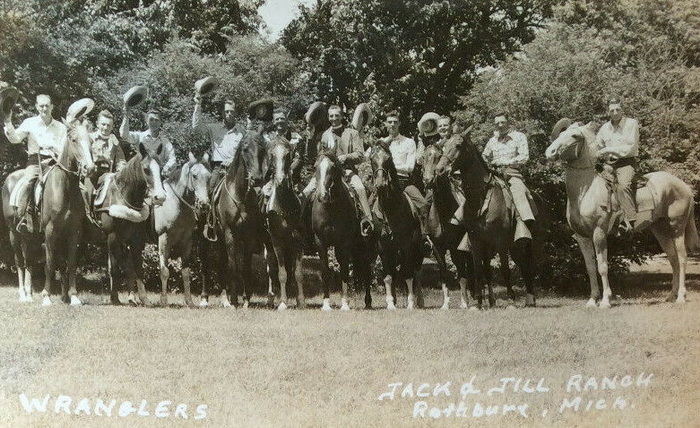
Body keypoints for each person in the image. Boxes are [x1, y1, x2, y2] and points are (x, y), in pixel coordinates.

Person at [299, 105, 373, 236]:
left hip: (347, 171)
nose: (334, 118)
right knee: (307, 190)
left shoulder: (352, 133)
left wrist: (345, 157)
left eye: (336, 115)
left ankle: (367, 221)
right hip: (327, 172)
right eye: (331, 116)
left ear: (342, 116)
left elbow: (360, 155)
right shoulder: (324, 135)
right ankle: (300, 224)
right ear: (328, 117)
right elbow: (315, 157)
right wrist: (310, 138)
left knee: (360, 188)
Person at [3, 94, 67, 233]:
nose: (44, 108)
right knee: (28, 182)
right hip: (35, 161)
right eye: (41, 105)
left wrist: (59, 161)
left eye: (47, 105)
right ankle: (24, 217)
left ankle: (78, 218)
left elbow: (64, 149)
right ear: (37, 107)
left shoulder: (61, 127)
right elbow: (15, 139)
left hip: (55, 162)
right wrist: (8, 121)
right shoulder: (30, 122)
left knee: (73, 184)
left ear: (52, 107)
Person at [378, 110, 431, 245]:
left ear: (399, 123)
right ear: (385, 124)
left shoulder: (408, 142)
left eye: (395, 122)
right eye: (389, 122)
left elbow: (409, 167)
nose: (392, 125)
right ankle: (370, 236)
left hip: (403, 182)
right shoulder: (380, 143)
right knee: (368, 203)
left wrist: (391, 167)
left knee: (423, 204)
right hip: (384, 182)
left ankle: (424, 238)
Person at [481, 112, 536, 234]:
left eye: (502, 122)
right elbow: (484, 155)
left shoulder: (519, 136)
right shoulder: (492, 140)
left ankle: (525, 224)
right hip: (494, 173)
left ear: (508, 122)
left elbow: (524, 156)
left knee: (519, 191)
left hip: (511, 172)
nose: (500, 125)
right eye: (497, 123)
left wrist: (505, 162)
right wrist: (487, 163)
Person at [594, 98, 641, 231]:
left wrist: (608, 149)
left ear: (622, 110)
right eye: (611, 110)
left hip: (626, 162)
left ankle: (631, 221)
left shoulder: (631, 124)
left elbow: (631, 148)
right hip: (609, 165)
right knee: (597, 186)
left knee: (622, 186)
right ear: (608, 112)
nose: (614, 112)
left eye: (617, 109)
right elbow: (597, 144)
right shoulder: (605, 127)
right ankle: (601, 221)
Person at [192, 94, 245, 190]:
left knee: (250, 194)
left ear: (235, 113)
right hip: (219, 168)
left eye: (231, 111)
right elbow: (196, 128)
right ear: (222, 113)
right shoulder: (213, 128)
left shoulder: (242, 131)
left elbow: (246, 152)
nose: (229, 114)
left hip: (237, 169)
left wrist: (233, 160)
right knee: (209, 191)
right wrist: (198, 105)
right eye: (226, 111)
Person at [120, 106, 176, 177]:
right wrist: (126, 117)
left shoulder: (165, 142)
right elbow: (124, 135)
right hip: (140, 177)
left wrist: (166, 167)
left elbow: (172, 159)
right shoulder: (139, 136)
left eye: (156, 120)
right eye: (151, 119)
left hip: (157, 176)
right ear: (146, 121)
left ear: (160, 122)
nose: (154, 122)